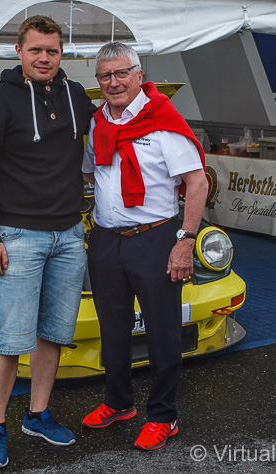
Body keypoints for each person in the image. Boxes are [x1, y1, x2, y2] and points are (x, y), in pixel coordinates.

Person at [0, 15, 95, 470]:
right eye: (35, 49)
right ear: (18, 52)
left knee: (54, 334)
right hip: (16, 236)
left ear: (62, 54)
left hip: (69, 233)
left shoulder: (77, 97)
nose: (44, 58)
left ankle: (37, 415)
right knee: (9, 338)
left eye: (52, 51)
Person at [81, 42, 208, 451]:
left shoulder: (162, 121)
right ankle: (119, 402)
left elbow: (197, 182)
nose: (114, 82)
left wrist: (185, 242)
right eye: (105, 76)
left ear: (139, 74)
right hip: (105, 239)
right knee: (113, 327)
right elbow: (89, 175)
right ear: (98, 81)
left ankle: (163, 415)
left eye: (122, 73)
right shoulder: (97, 121)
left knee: (162, 330)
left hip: (155, 238)